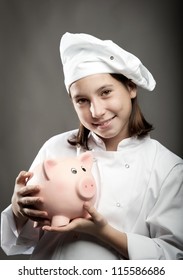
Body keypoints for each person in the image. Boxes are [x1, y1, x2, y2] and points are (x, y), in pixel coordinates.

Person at [1, 32, 183, 260]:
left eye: (105, 93)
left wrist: (104, 232)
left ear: (131, 88)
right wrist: (19, 209)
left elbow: (172, 257)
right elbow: (24, 238)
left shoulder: (167, 168)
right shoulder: (56, 147)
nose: (96, 111)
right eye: (82, 100)